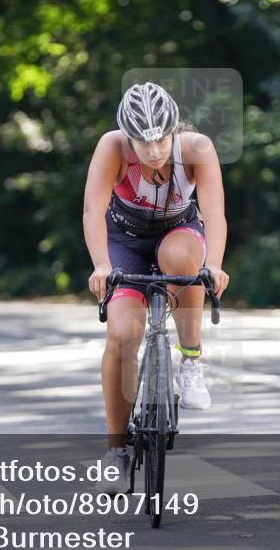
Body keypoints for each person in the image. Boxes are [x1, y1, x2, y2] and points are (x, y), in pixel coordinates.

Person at [83, 82, 230, 494]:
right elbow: (93, 209)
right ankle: (116, 450)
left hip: (179, 232)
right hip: (124, 240)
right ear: (127, 137)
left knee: (184, 261)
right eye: (143, 142)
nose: (153, 150)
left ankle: (191, 362)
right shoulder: (112, 147)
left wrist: (214, 265)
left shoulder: (196, 148)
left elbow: (215, 212)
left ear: (174, 130)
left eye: (161, 138)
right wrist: (101, 264)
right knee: (122, 335)